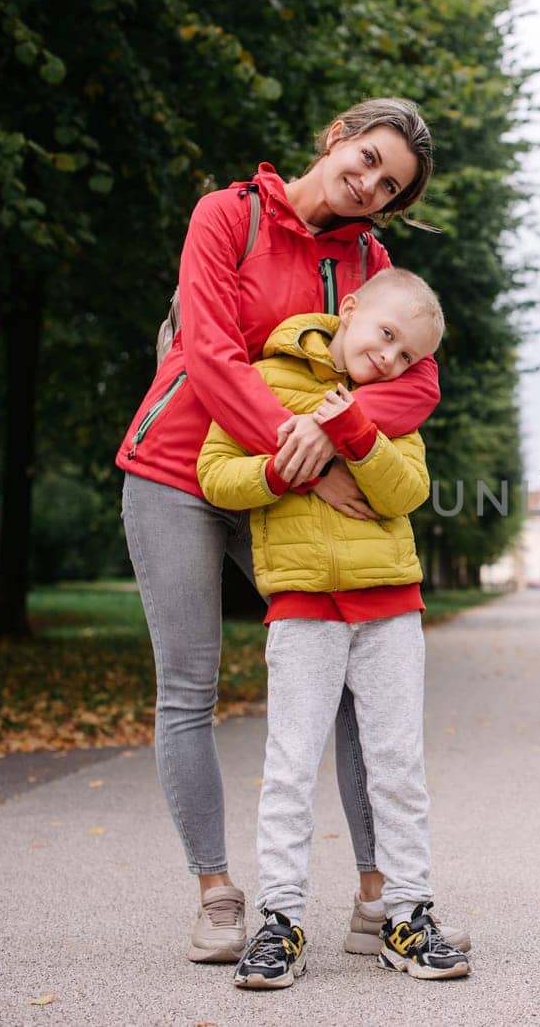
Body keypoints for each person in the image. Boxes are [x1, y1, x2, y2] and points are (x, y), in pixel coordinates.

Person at [117, 98, 448, 964]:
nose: (370, 184)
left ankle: (379, 897)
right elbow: (210, 352)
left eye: (390, 186)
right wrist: (308, 452)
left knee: (344, 685)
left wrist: (339, 438)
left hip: (291, 491)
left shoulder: (371, 260)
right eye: (369, 159)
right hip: (181, 473)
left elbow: (416, 385)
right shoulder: (228, 216)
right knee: (188, 688)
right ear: (336, 135)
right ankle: (217, 893)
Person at [197, 269, 468, 988]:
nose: (389, 359)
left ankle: (407, 915)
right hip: (303, 606)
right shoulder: (265, 379)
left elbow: (407, 490)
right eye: (384, 336)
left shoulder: (388, 404)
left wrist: (354, 431)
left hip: (389, 608)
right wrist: (282, 472)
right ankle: (280, 921)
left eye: (407, 356)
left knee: (398, 766)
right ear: (347, 310)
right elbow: (216, 474)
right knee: (289, 769)